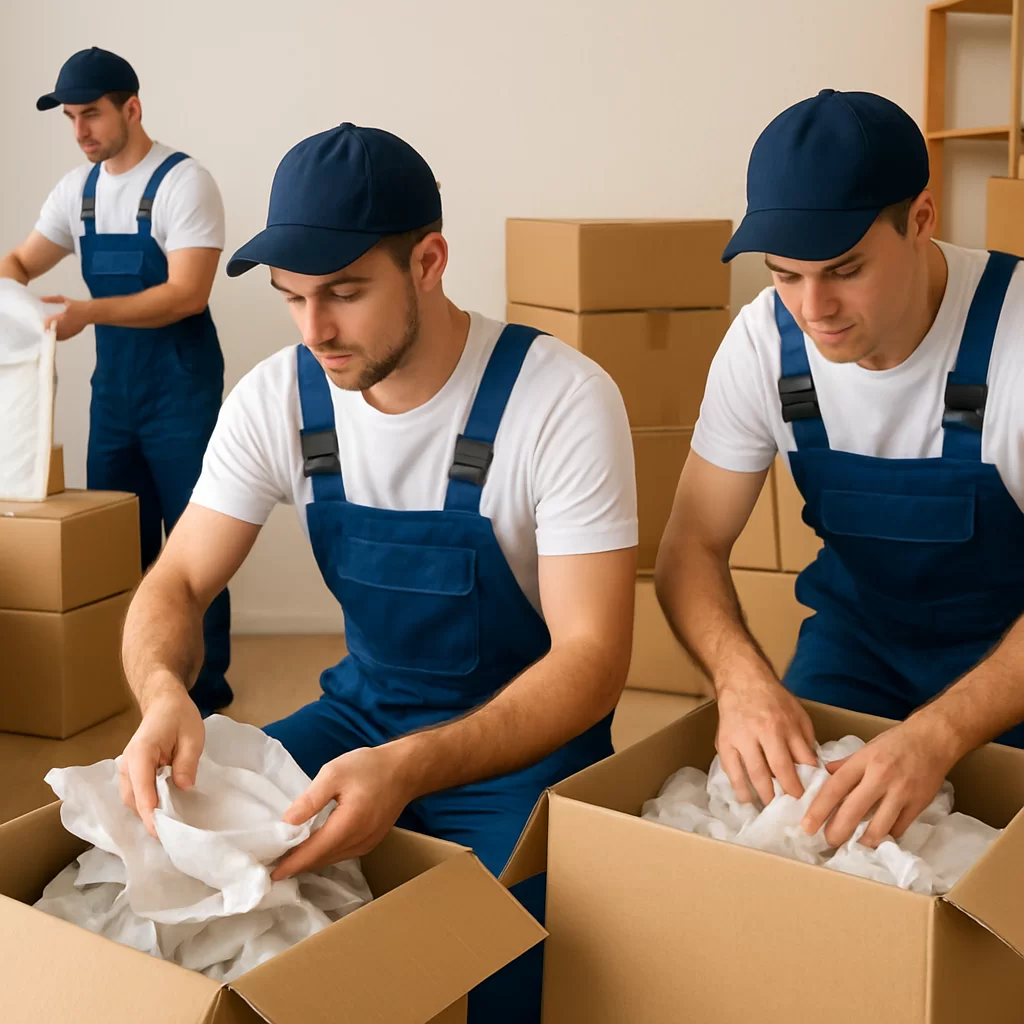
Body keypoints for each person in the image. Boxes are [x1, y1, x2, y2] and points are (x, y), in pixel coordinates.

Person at [116, 122, 638, 1021]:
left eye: (345, 294)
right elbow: (178, 584)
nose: (315, 329)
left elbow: (592, 661)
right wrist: (165, 692)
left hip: (525, 748)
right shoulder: (281, 395)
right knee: (158, 877)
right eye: (292, 297)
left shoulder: (560, 400)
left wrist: (411, 769)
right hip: (360, 715)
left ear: (428, 261)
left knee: (506, 967)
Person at [655, 89, 1024, 852]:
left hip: (1011, 659)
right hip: (862, 649)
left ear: (920, 220)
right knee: (785, 842)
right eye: (785, 274)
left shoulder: (1015, 343)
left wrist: (938, 734)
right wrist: (743, 682)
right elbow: (689, 546)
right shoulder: (764, 344)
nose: (812, 307)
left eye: (844, 270)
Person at [0, 47, 232, 716]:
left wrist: (82, 313)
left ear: (131, 107)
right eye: (71, 118)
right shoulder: (79, 191)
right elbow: (18, 259)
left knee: (197, 546)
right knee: (118, 545)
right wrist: (17, 305)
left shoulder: (185, 183)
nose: (81, 132)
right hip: (117, 395)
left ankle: (206, 698)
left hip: (180, 389)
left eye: (92, 114)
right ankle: (139, 690)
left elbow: (187, 293)